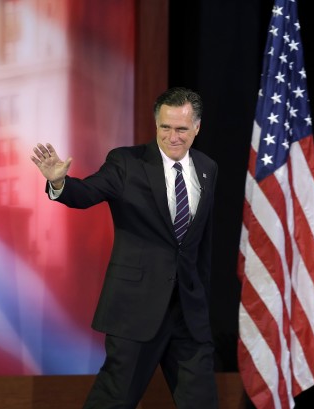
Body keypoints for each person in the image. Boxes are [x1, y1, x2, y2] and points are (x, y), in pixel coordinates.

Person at [30, 87, 219, 408]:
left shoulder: (207, 167)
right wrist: (60, 184)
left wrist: (201, 298)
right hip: (136, 310)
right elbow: (88, 192)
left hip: (188, 313)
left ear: (197, 128)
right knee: (113, 400)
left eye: (182, 129)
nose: (172, 136)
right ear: (156, 124)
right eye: (165, 127)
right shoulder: (127, 162)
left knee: (201, 401)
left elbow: (202, 244)